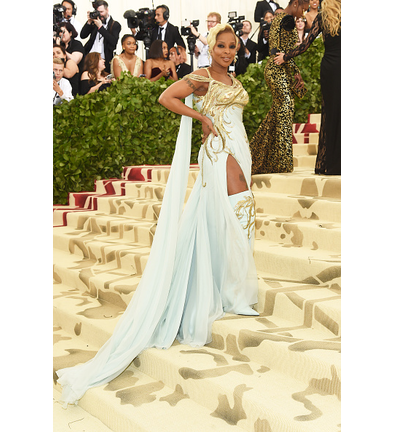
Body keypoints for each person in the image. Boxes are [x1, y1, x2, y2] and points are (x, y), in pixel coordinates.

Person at [56, 22, 258, 408]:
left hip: (241, 148)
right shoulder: (200, 77)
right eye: (221, 46)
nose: (228, 52)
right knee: (239, 211)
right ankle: (234, 290)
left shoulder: (232, 77)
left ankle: (228, 286)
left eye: (233, 47)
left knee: (229, 215)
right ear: (210, 47)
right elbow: (166, 97)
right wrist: (202, 120)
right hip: (220, 151)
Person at [275, 0, 341, 175]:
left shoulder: (323, 17)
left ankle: (327, 163)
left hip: (330, 67)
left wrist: (286, 56)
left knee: (329, 112)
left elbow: (305, 44)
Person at [249, 0, 309, 175]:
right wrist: (295, 71)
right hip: (278, 69)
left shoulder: (279, 18)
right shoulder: (287, 21)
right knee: (285, 109)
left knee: (277, 113)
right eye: (303, 9)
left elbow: (278, 51)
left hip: (275, 69)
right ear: (296, 3)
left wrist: (293, 69)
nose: (303, 15)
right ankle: (281, 163)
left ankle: (255, 157)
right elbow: (280, 53)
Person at [80, 1, 121, 73]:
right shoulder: (94, 22)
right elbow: (82, 35)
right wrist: (89, 22)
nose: (100, 15)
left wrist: (100, 27)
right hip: (90, 57)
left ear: (107, 10)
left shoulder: (115, 25)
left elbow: (113, 41)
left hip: (104, 60)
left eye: (101, 12)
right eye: (98, 12)